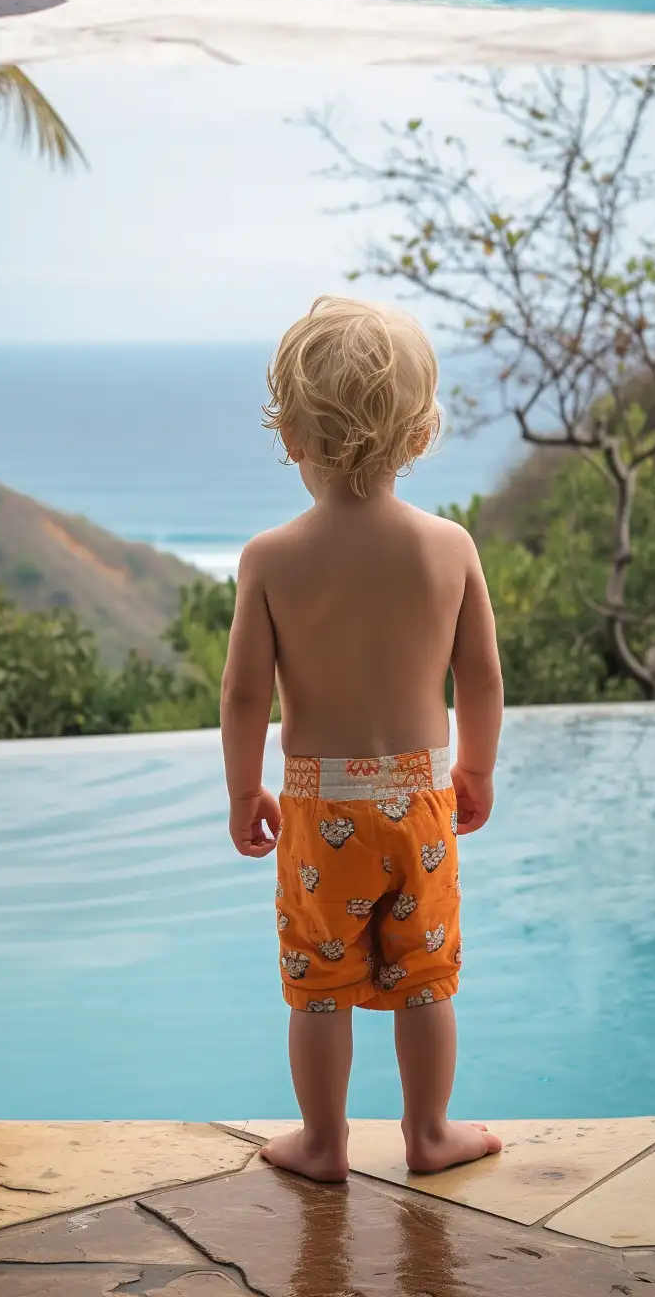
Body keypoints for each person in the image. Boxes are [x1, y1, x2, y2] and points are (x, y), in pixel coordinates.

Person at [222, 296, 505, 1183]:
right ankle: (429, 1134)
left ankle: (325, 1143)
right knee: (426, 980)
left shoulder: (271, 558)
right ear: (420, 436)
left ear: (293, 436)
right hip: (419, 800)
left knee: (319, 988)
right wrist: (475, 769)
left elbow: (243, 694)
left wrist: (242, 792)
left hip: (316, 810)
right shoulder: (448, 547)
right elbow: (483, 679)